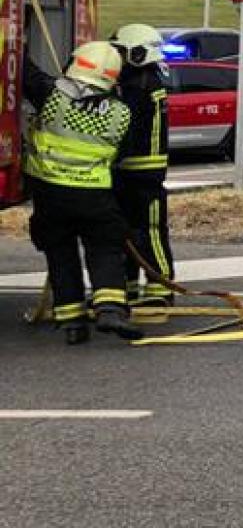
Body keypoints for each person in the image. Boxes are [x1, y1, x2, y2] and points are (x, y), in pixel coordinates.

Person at [24, 42, 138, 344]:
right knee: (105, 248)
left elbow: (26, 74)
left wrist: (16, 39)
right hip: (94, 194)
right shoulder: (121, 113)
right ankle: (110, 309)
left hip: (51, 193)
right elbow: (123, 154)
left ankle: (72, 322)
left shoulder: (52, 96)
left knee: (60, 253)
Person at [109, 23, 175, 307]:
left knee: (150, 232)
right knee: (128, 233)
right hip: (134, 172)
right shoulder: (143, 81)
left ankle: (161, 288)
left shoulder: (140, 86)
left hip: (142, 173)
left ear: (137, 54)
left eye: (121, 52)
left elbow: (127, 131)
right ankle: (130, 287)